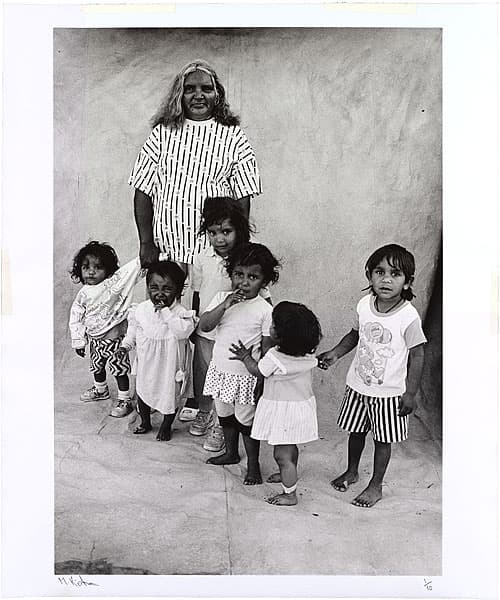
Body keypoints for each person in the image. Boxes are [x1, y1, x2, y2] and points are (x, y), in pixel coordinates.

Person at [317, 244, 427, 508]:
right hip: (358, 386)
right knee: (355, 432)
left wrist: (410, 393)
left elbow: (419, 355)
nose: (386, 279)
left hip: (389, 394)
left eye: (395, 274)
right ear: (369, 275)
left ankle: (375, 485)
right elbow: (355, 335)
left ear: (407, 281)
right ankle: (352, 471)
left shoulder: (408, 317)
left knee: (382, 439)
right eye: (380, 272)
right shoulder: (364, 305)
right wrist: (335, 354)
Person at [129, 60, 262, 270]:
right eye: (189, 89)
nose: (198, 95)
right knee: (168, 302)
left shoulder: (233, 135)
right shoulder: (161, 134)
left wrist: (240, 244)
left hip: (215, 250)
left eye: (206, 89)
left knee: (210, 302)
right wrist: (146, 243)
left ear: (217, 94)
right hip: (168, 248)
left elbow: (243, 196)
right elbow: (142, 191)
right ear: (179, 95)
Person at [179, 196, 271, 453]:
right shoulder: (201, 257)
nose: (220, 239)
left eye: (226, 232)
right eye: (213, 232)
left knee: (231, 375)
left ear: (238, 230)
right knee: (206, 370)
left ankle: (223, 423)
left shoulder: (246, 257)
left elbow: (263, 295)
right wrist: (194, 324)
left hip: (237, 333)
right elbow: (198, 292)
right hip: (209, 324)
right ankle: (204, 409)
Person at [199, 242, 280, 485]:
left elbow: (267, 347)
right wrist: (225, 306)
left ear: (264, 281)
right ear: (231, 274)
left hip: (246, 376)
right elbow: (204, 326)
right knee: (224, 414)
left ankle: (253, 464)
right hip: (220, 371)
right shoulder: (222, 298)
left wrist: (262, 378)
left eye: (252, 277)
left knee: (246, 421)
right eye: (239, 274)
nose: (244, 282)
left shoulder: (265, 310)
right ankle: (231, 453)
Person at [229, 301, 322, 506]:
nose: (269, 327)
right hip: (301, 409)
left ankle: (290, 494)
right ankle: (288, 473)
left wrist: (245, 357)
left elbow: (258, 371)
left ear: (279, 336)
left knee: (282, 455)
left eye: (273, 325)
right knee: (290, 448)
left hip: (283, 411)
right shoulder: (308, 355)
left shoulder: (274, 356)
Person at [120, 261, 198, 441]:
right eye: (154, 288)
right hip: (146, 362)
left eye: (167, 289)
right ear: (147, 288)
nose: (159, 293)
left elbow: (182, 332)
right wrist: (125, 346)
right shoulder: (142, 309)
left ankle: (166, 425)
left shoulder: (180, 313)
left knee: (169, 396)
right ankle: (145, 421)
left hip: (169, 365)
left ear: (178, 291)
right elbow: (134, 329)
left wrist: (165, 313)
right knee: (142, 390)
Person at [69, 241, 147, 418]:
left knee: (119, 370)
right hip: (95, 340)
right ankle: (100, 390)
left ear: (109, 270)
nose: (91, 271)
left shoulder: (115, 283)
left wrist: (153, 257)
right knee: (97, 367)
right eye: (85, 267)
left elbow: (132, 270)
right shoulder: (83, 294)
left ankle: (124, 399)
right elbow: (76, 317)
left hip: (115, 340)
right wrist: (79, 341)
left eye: (98, 267)